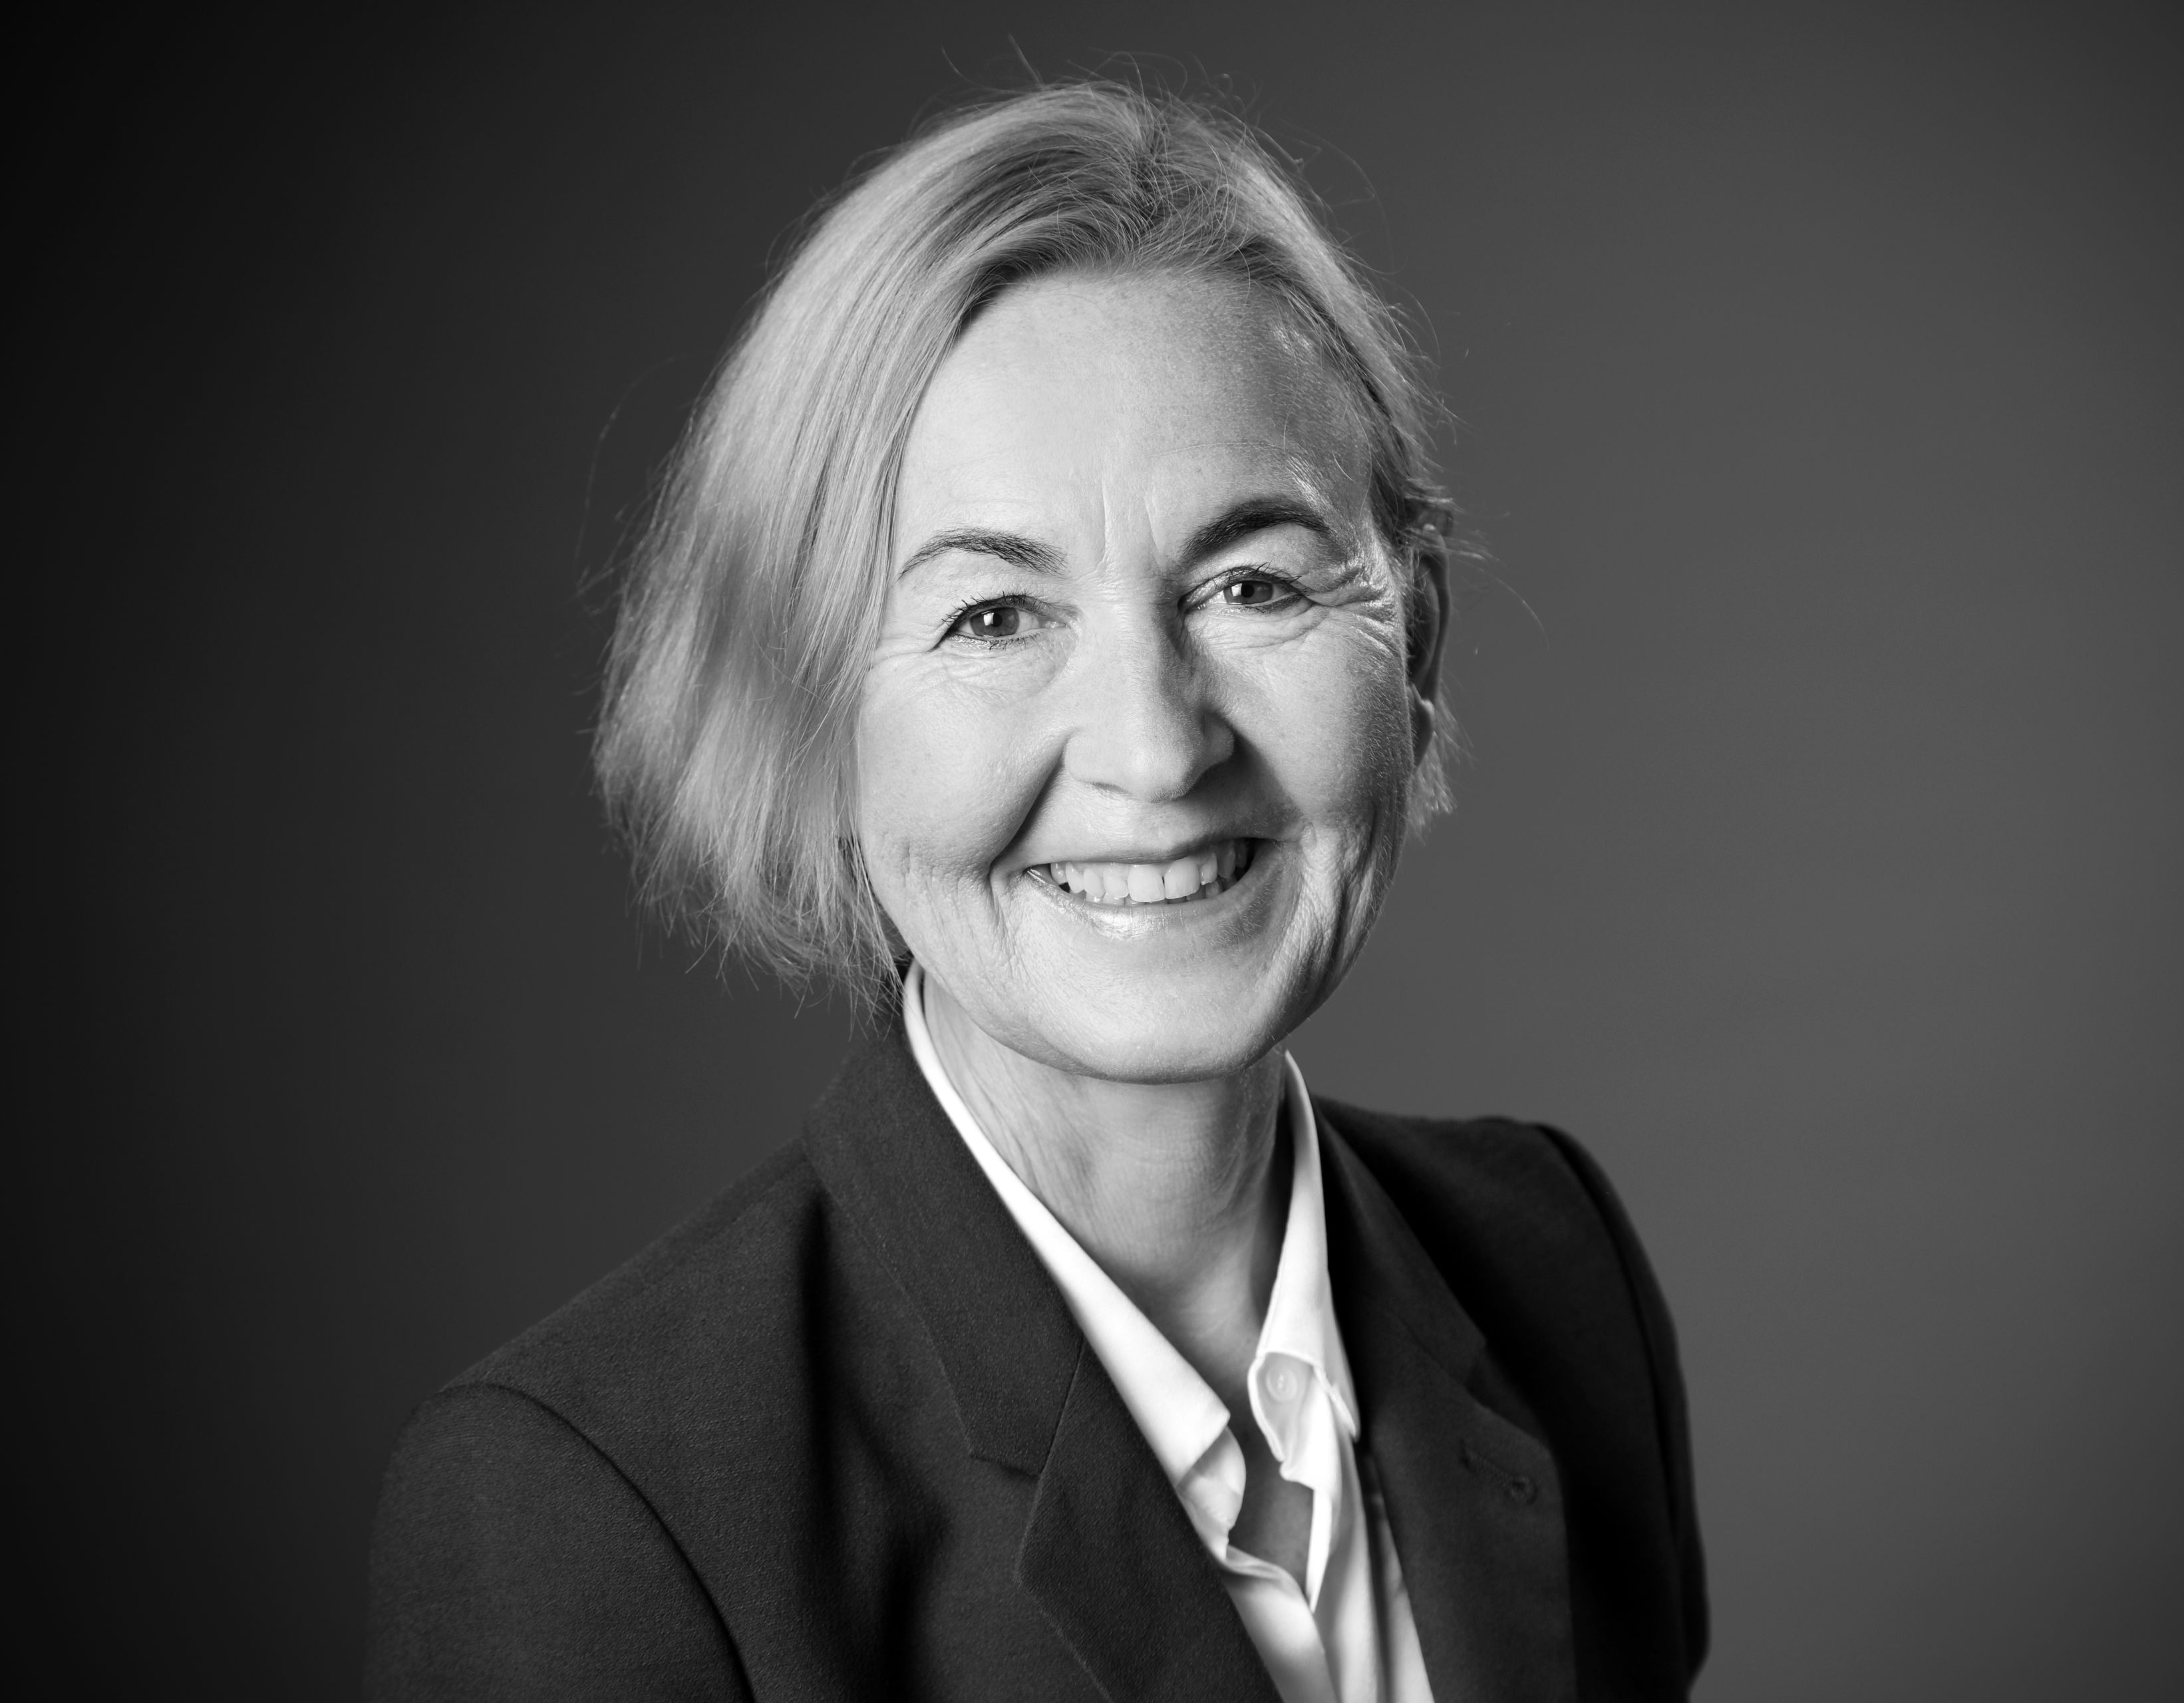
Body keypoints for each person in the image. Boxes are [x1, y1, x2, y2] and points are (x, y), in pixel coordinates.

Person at [365, 80, 1705, 1703]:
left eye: (1252, 583)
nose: (1155, 750)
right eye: (995, 617)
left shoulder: (1556, 1263)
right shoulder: (587, 1513)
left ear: (1412, 644)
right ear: (809, 709)